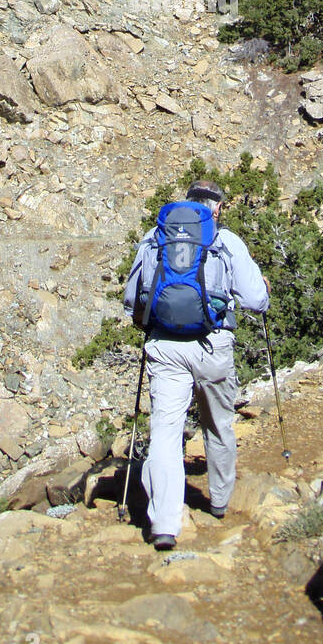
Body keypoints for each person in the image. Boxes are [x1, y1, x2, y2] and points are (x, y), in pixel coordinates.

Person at [122, 179, 270, 550]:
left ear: (185, 204)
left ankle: (165, 524)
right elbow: (255, 300)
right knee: (218, 425)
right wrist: (263, 290)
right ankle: (219, 503)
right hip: (212, 346)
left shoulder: (154, 236)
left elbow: (130, 299)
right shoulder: (225, 240)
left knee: (166, 432)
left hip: (166, 347)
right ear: (216, 207)